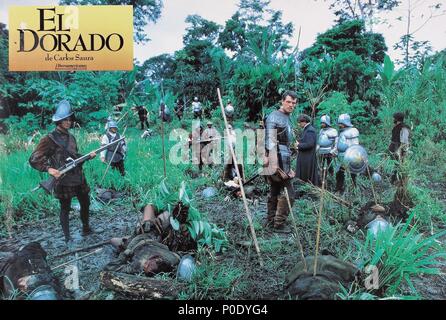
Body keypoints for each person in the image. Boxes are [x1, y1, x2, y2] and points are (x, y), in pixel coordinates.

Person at [29, 100, 96, 245]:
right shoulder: (49, 139)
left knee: (85, 202)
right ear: (58, 121)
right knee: (65, 208)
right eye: (65, 119)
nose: (68, 122)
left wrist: (87, 156)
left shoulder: (71, 137)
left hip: (77, 176)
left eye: (69, 119)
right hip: (63, 178)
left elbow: (74, 157)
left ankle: (86, 228)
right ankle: (67, 238)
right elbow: (34, 158)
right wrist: (49, 169)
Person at [263, 90, 297, 233]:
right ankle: (279, 224)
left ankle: (271, 221)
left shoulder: (287, 117)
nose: (291, 105)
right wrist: (276, 166)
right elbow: (270, 142)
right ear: (282, 101)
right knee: (290, 194)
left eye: (294, 103)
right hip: (275, 158)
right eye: (288, 102)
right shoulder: (273, 117)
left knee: (275, 190)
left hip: (283, 158)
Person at [335, 113, 360, 193]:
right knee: (339, 173)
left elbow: (355, 145)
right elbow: (339, 143)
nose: (339, 125)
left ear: (346, 123)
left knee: (352, 174)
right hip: (341, 156)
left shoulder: (352, 132)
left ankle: (353, 189)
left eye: (341, 123)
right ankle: (339, 188)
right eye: (339, 123)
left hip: (349, 156)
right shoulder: (341, 132)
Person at [295, 114, 319, 189]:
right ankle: (304, 191)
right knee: (305, 174)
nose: (298, 124)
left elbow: (310, 144)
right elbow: (306, 140)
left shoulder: (310, 130)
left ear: (304, 122)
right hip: (306, 157)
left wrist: (298, 145)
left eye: (299, 122)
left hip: (307, 158)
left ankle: (307, 191)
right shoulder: (307, 129)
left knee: (306, 175)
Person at [388, 112, 410, 184]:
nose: (393, 119)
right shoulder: (396, 127)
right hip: (394, 148)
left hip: (399, 150)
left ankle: (398, 181)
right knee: (396, 164)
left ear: (397, 119)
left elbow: (404, 142)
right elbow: (393, 139)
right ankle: (394, 180)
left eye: (394, 118)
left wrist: (399, 151)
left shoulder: (404, 128)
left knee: (399, 165)